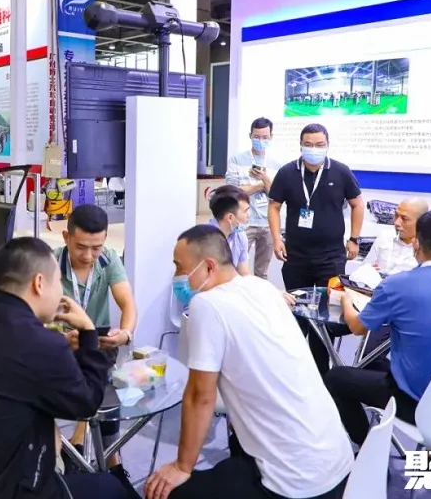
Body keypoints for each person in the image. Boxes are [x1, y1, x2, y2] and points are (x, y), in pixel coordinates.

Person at [0, 237, 135, 499]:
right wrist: (88, 331)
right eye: (57, 283)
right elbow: (86, 404)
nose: (60, 293)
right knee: (111, 489)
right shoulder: (40, 343)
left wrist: (53, 346)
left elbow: (6, 368)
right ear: (39, 283)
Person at [146, 225, 352, 499]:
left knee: (167, 492)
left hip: (294, 484)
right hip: (339, 465)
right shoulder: (262, 287)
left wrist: (182, 466)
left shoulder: (207, 304)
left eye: (179, 268)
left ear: (208, 267)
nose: (177, 277)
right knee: (237, 445)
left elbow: (200, 397)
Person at [324, 210, 431, 446]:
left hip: (418, 404)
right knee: (376, 363)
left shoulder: (397, 285)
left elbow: (357, 327)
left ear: (416, 243)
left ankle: (366, 447)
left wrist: (345, 300)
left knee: (336, 377)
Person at [268, 123, 364, 375]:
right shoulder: (287, 172)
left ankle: (321, 373)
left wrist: (354, 238)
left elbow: (357, 204)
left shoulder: (341, 172)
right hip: (295, 257)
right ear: (300, 145)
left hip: (331, 258)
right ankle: (294, 371)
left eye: (319, 145)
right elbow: (274, 206)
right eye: (308, 144)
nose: (314, 149)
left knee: (326, 315)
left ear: (327, 145)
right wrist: (276, 238)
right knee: (296, 314)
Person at [54, 204, 137, 477]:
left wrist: (125, 333)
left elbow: (127, 303)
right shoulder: (50, 264)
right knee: (95, 382)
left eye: (96, 247)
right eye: (81, 247)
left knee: (102, 378)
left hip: (98, 347)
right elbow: (31, 319)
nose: (89, 255)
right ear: (66, 237)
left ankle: (93, 452)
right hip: (58, 347)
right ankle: (103, 459)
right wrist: (61, 339)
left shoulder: (108, 259)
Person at [225, 117, 284, 278]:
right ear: (250, 135)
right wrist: (259, 186)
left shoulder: (277, 163)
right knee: (236, 267)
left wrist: (264, 179)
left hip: (268, 223)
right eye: (257, 136)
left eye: (265, 137)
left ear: (271, 137)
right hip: (244, 222)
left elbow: (277, 195)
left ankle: (259, 294)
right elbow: (232, 191)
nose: (260, 140)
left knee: (262, 272)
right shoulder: (237, 159)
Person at [363, 198, 429, 275]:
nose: (396, 223)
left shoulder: (428, 249)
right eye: (396, 215)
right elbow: (364, 268)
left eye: (404, 219)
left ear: (421, 222)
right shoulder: (385, 236)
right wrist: (368, 270)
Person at [207, 185, 251, 275]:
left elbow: (244, 274)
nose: (249, 215)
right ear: (230, 217)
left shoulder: (240, 235)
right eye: (245, 211)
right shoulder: (204, 239)